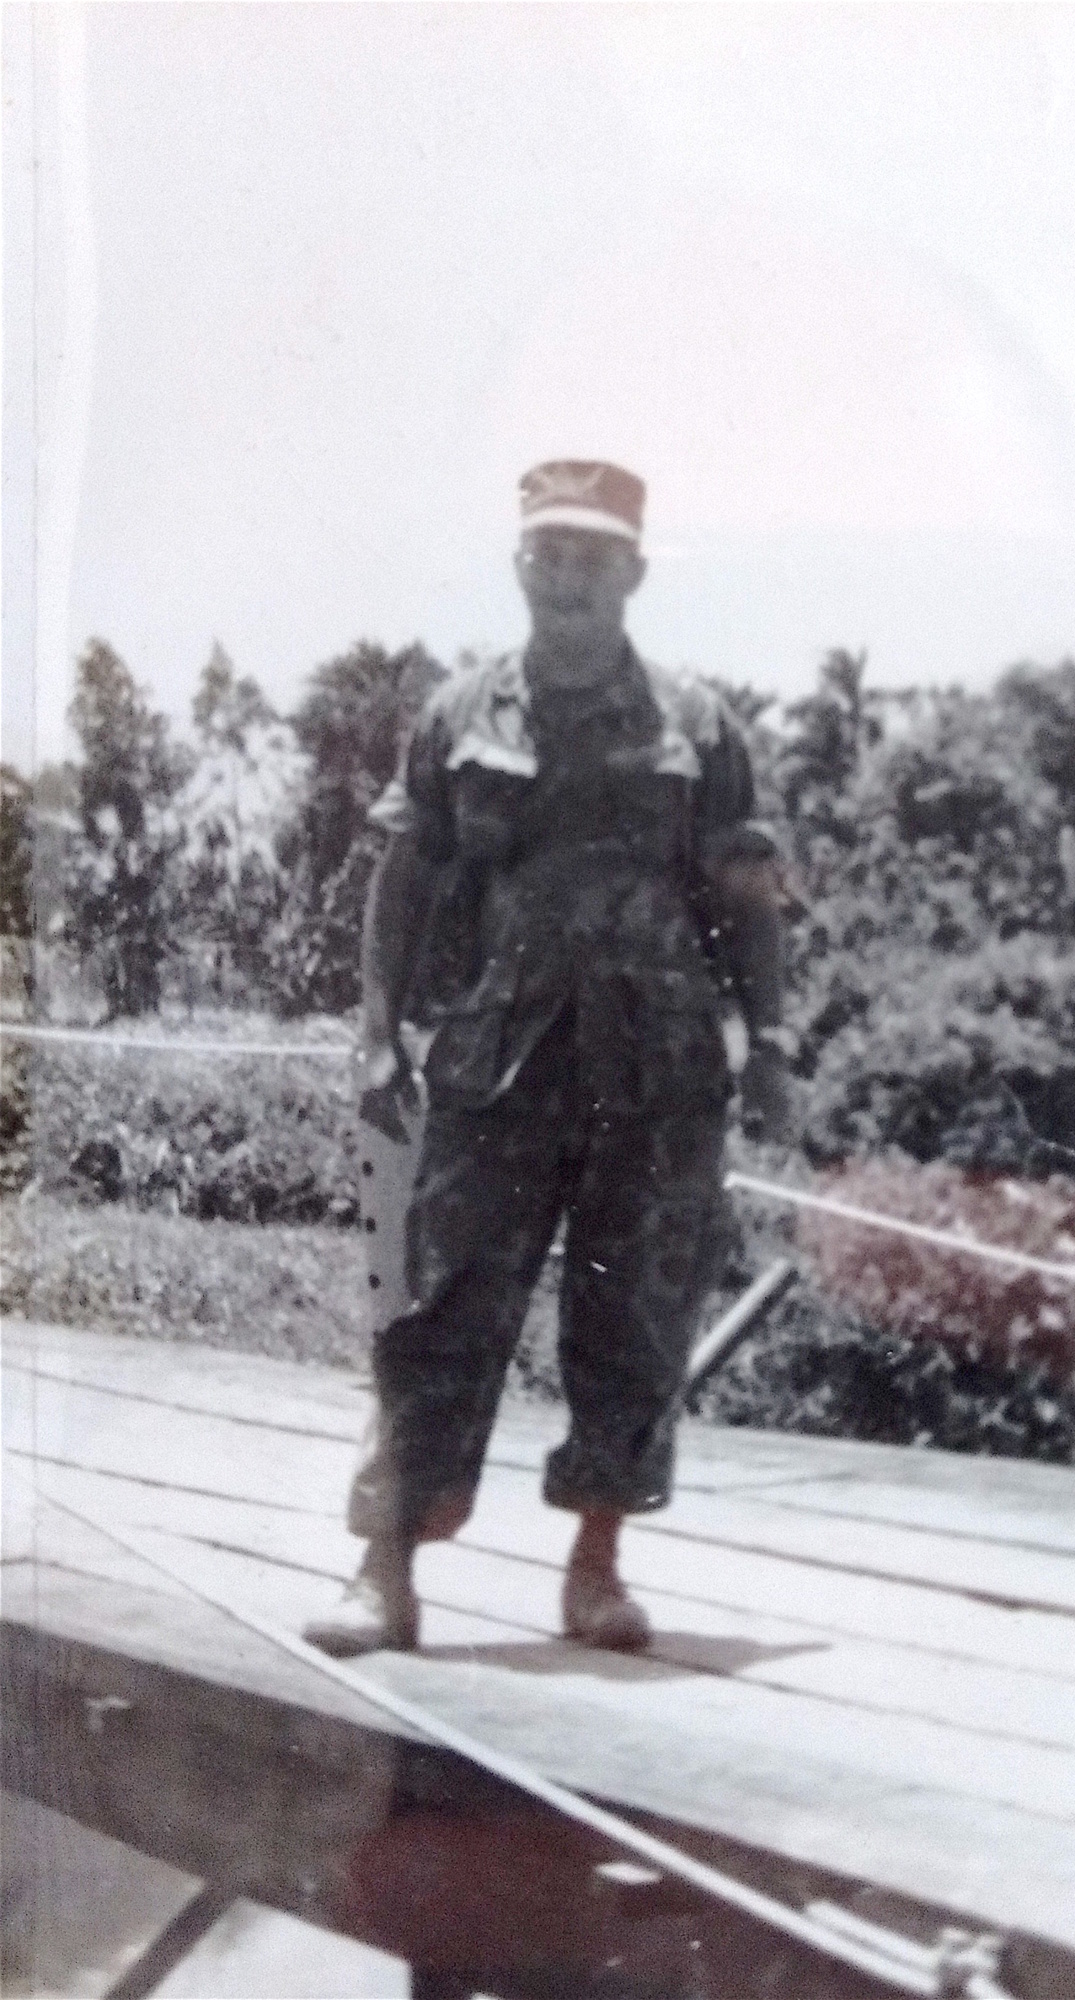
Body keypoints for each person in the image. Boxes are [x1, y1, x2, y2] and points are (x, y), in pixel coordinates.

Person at [304, 459, 792, 1658]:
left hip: (661, 1068)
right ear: (522, 566)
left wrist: (769, 1039)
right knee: (438, 1305)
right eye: (548, 555)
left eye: (592, 558)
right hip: (494, 1061)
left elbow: (747, 893)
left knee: (635, 1314)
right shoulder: (460, 712)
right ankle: (386, 1570)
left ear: (631, 571)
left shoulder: (698, 724)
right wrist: (375, 1031)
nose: (568, 578)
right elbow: (405, 873)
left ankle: (596, 1567)